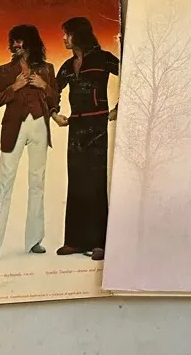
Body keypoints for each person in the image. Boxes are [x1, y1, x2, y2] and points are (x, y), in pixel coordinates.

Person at [0, 25, 59, 262]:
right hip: (14, 128)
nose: (15, 45)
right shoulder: (5, 70)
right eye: (13, 41)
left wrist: (44, 86)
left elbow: (55, 98)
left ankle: (34, 240)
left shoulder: (47, 69)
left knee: (37, 182)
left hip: (39, 126)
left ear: (31, 42)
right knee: (4, 184)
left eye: (20, 41)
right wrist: (14, 87)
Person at [52, 18, 120, 261]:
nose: (64, 38)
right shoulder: (68, 65)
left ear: (79, 35)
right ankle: (74, 241)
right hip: (76, 126)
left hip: (97, 125)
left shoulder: (103, 58)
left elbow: (134, 75)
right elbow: (53, 90)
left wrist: (120, 108)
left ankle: (99, 242)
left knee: (96, 182)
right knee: (77, 181)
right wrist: (54, 113)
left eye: (67, 34)